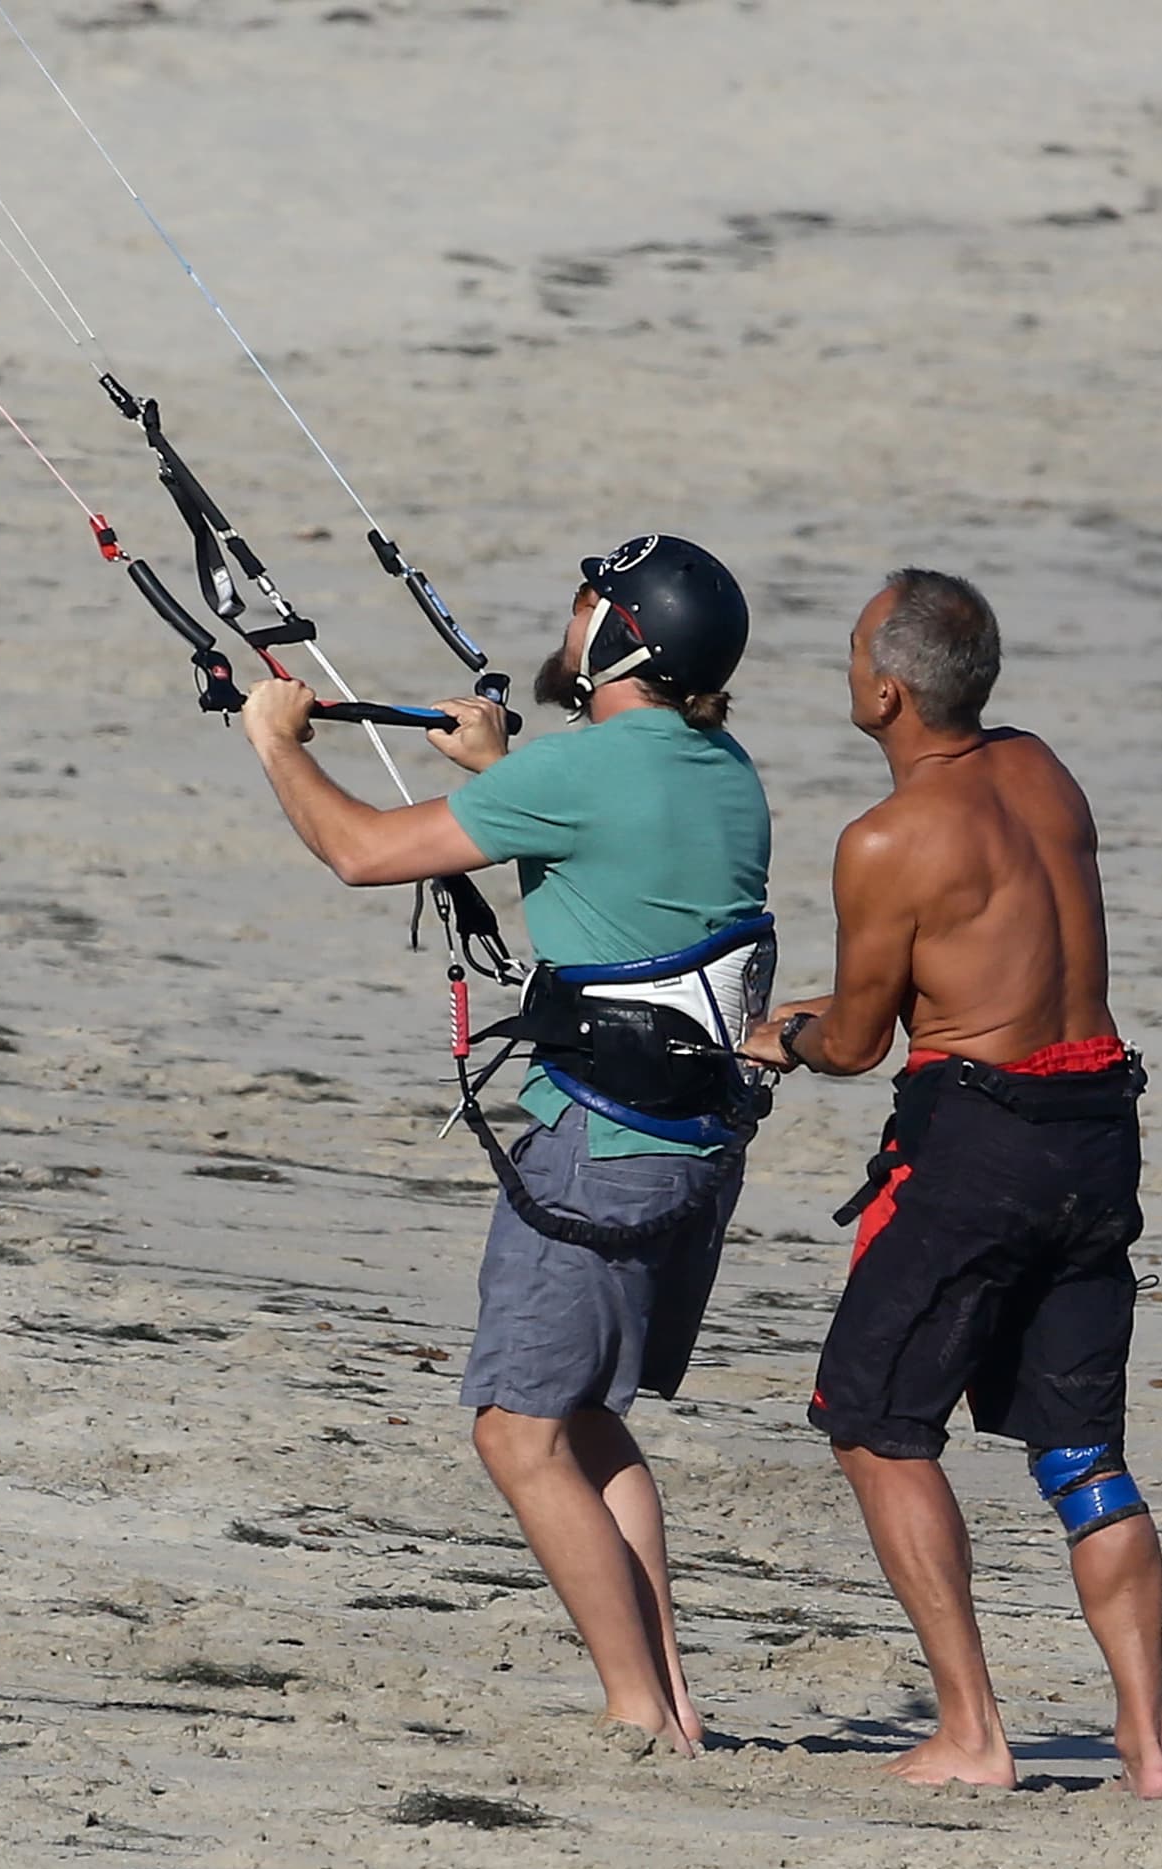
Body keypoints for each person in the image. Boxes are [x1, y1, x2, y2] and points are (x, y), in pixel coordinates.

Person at [241, 534, 772, 1757]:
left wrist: (273, 740)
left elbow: (361, 852)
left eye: (590, 601)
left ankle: (638, 1709)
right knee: (584, 1414)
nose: (570, 612)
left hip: (601, 1148)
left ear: (621, 639)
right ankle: (671, 1694)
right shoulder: (719, 767)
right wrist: (496, 774)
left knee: (514, 1429)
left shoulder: (585, 774)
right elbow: (616, 861)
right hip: (688, 1151)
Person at [742, 567, 1162, 1798]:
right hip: (1096, 1130)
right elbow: (985, 968)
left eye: (847, 658)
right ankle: (1149, 1749)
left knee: (872, 1423)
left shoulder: (885, 839)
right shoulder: (1042, 768)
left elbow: (863, 1039)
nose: (842, 673)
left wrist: (785, 1037)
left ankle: (971, 1731)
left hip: (981, 1145)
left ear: (884, 694)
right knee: (1082, 1452)